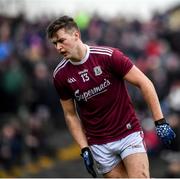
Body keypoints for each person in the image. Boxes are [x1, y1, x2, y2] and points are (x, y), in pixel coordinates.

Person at [46, 15, 176, 178]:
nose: (58, 47)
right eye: (54, 43)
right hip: (99, 143)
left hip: (128, 133)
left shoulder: (108, 56)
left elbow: (145, 83)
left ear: (76, 35)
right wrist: (84, 148)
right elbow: (70, 114)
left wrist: (160, 122)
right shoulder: (60, 75)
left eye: (61, 40)